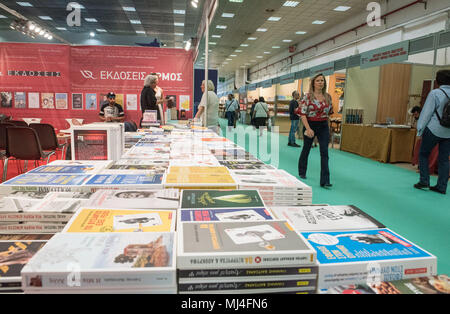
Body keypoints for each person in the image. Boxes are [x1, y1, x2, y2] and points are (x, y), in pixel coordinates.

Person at [414, 69, 450, 195]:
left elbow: (426, 114)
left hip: (434, 129)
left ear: (438, 80)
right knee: (444, 159)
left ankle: (424, 181)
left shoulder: (435, 93)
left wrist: (419, 130)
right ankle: (442, 186)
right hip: (448, 132)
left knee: (423, 154)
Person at [296, 73, 334, 188]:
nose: (320, 82)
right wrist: (308, 128)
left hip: (323, 125)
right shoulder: (307, 97)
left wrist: (328, 129)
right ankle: (302, 172)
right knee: (306, 149)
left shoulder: (328, 97)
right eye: (318, 80)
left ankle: (325, 180)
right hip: (310, 124)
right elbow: (302, 114)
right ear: (313, 83)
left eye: (322, 80)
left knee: (324, 152)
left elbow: (329, 114)